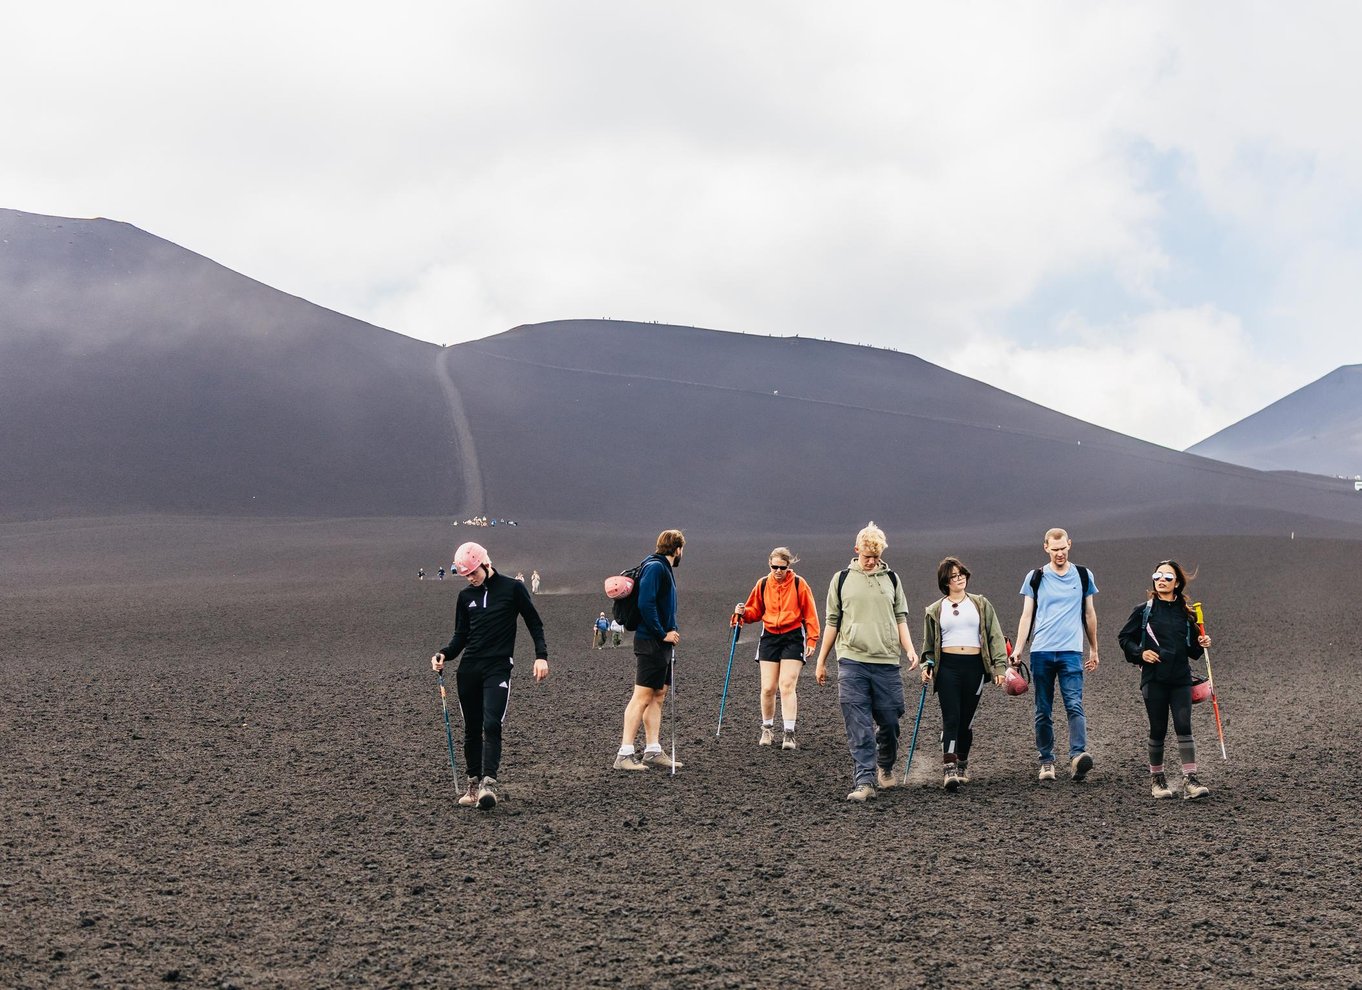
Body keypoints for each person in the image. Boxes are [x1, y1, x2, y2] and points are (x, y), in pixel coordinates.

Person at [430, 542, 548, 810]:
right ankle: (473, 785)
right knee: (471, 728)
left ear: (485, 563)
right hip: (469, 669)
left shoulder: (513, 588)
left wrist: (541, 656)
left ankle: (488, 784)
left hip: (498, 667)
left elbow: (534, 622)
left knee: (492, 723)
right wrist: (444, 654)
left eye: (473, 572)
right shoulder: (464, 596)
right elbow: (460, 636)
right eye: (466, 575)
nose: (471, 578)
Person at [814, 523, 919, 802]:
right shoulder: (841, 579)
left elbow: (900, 619)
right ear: (856, 550)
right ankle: (865, 780)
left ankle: (885, 766)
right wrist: (821, 661)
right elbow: (832, 623)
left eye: (876, 556)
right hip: (851, 661)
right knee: (858, 724)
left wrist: (909, 649)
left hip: (886, 661)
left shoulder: (892, 579)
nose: (871, 562)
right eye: (866, 556)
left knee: (890, 721)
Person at [1116, 560, 1213, 800]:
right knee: (1158, 728)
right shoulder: (1144, 610)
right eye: (1158, 575)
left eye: (1168, 577)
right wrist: (1140, 653)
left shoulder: (1186, 614)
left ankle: (1190, 780)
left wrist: (1201, 644)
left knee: (1184, 726)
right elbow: (1124, 638)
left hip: (1180, 679)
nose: (1161, 579)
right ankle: (1157, 781)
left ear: (1177, 583)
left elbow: (1191, 651)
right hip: (1154, 679)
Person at [1012, 527, 1099, 783]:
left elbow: (1089, 614)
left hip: (1071, 651)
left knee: (1074, 704)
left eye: (1063, 548)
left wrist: (1094, 648)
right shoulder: (1035, 577)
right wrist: (1018, 649)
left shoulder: (1083, 575)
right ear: (1046, 547)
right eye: (1055, 549)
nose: (1060, 553)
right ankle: (1046, 761)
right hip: (1041, 651)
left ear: (1069, 545)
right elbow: (1027, 615)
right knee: (1043, 709)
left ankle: (1077, 756)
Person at [920, 557, 1009, 790]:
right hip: (948, 666)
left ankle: (962, 763)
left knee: (965, 722)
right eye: (954, 576)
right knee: (951, 718)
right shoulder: (935, 609)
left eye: (962, 574)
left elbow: (995, 636)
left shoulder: (980, 604)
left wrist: (999, 667)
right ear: (945, 581)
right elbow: (929, 646)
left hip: (975, 667)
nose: (960, 578)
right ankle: (949, 768)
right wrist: (926, 665)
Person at [733, 546, 820, 750]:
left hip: (792, 637)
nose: (778, 571)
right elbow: (755, 611)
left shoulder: (799, 584)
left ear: (788, 566)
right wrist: (743, 612)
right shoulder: (763, 584)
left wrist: (812, 639)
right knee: (768, 687)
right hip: (770, 637)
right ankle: (767, 728)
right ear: (769, 565)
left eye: (782, 567)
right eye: (774, 567)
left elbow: (810, 613)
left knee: (787, 685)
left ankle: (789, 733)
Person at [614, 529, 685, 771]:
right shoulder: (655, 567)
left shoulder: (660, 568)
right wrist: (661, 632)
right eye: (681, 549)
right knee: (642, 696)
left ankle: (652, 750)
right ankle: (624, 754)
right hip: (651, 642)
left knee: (658, 695)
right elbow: (646, 602)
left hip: (661, 644)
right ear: (677, 549)